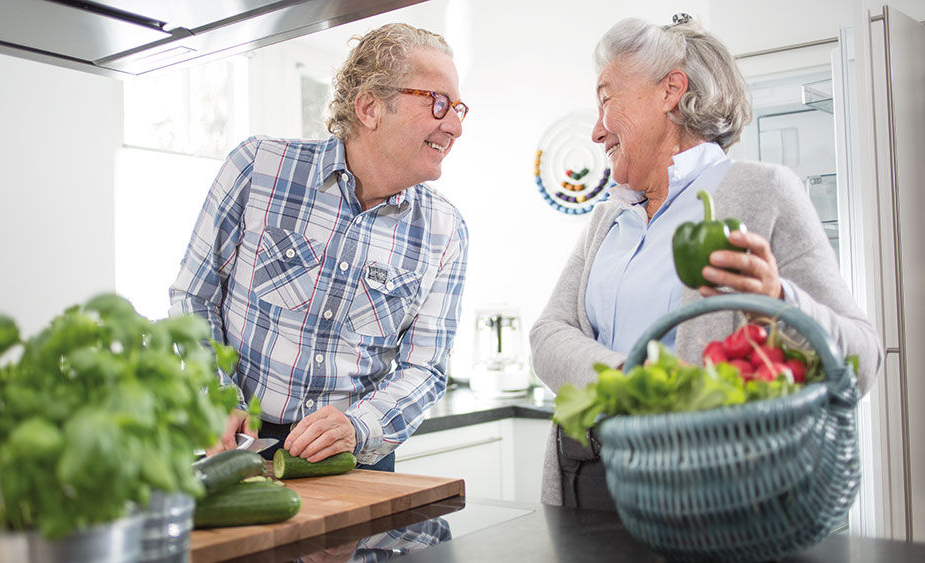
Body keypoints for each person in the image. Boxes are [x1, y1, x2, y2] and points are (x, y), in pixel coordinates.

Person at [529, 14, 882, 508]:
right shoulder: (609, 216)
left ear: (671, 90)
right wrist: (635, 384)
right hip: (586, 479)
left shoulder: (761, 192)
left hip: (700, 491)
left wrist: (780, 302)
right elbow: (547, 335)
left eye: (606, 98)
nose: (595, 130)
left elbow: (861, 359)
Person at [170, 23, 469, 471]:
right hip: (233, 440)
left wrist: (359, 426)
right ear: (370, 107)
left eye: (459, 107)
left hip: (350, 455)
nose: (456, 126)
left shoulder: (447, 230)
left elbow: (425, 368)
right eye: (438, 103)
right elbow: (194, 297)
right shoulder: (257, 169)